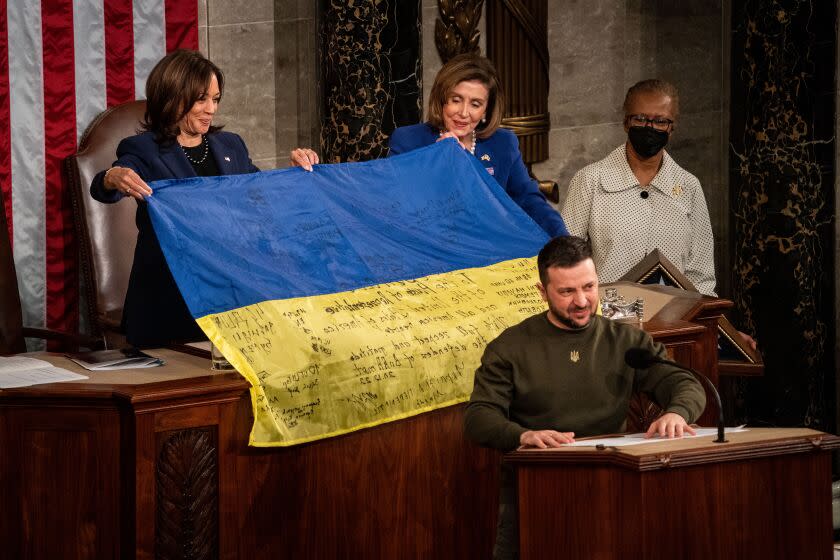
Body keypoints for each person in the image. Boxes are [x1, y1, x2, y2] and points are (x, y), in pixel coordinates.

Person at [464, 235, 706, 560]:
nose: (581, 301)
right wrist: (523, 435)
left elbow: (685, 384)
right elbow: (479, 418)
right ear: (542, 291)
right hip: (537, 487)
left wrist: (677, 412)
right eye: (567, 291)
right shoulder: (510, 347)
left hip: (615, 483)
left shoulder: (626, 341)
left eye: (589, 287)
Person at [90, 49, 316, 347]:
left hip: (230, 297)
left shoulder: (231, 146)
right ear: (173, 96)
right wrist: (112, 177)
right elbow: (106, 187)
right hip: (169, 303)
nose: (211, 109)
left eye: (216, 99)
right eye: (201, 99)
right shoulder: (143, 149)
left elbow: (259, 194)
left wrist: (294, 173)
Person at [561, 79, 716, 295]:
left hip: (676, 318)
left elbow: (701, 274)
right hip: (608, 319)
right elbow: (566, 260)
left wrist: (701, 320)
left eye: (660, 121)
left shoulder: (689, 187)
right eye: (641, 119)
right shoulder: (590, 180)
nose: (650, 127)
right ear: (626, 122)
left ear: (672, 128)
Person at [387, 54, 568, 238]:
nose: (464, 113)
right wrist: (437, 159)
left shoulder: (503, 143)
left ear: (485, 111)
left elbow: (530, 201)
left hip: (490, 250)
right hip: (428, 249)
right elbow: (397, 206)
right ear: (442, 100)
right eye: (456, 100)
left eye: (475, 104)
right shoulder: (407, 140)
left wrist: (565, 243)